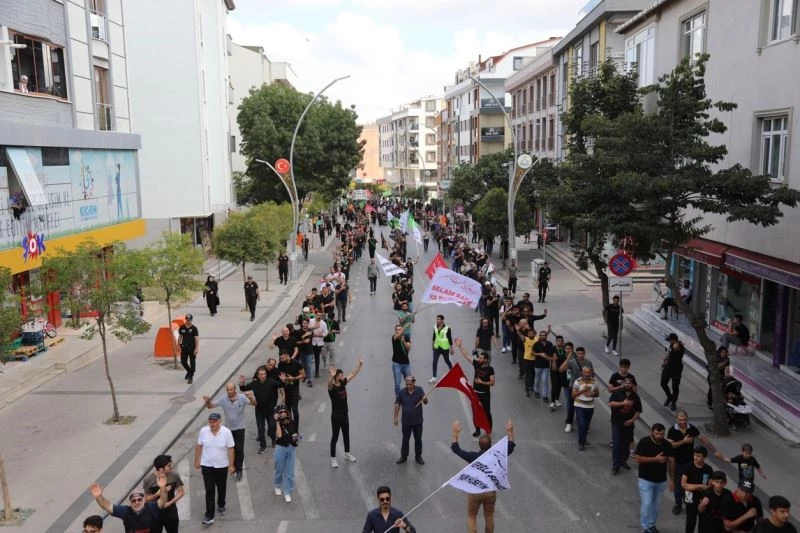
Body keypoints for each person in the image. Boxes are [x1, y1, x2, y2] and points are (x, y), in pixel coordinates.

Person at [450, 419, 516, 533]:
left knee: (471, 516)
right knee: (489, 516)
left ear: (479, 445)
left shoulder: (473, 457)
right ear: (491, 445)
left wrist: (455, 432)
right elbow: (510, 446)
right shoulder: (496, 457)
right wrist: (510, 432)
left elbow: (456, 449)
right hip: (490, 491)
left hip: (475, 491)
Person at [668, 410, 718, 515]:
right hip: (678, 463)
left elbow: (703, 439)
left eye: (684, 419)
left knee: (689, 485)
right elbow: (671, 446)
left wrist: (714, 450)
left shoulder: (692, 429)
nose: (682, 422)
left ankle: (689, 503)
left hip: (690, 463)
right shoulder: (672, 430)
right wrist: (684, 442)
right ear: (677, 419)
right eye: (680, 420)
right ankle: (678, 504)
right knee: (678, 486)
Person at [203, 383, 254, 480]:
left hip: (239, 428)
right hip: (228, 429)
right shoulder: (223, 399)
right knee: (231, 449)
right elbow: (211, 406)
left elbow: (254, 404)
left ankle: (239, 469)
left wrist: (251, 398)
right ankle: (232, 466)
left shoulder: (242, 398)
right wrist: (207, 401)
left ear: (235, 389)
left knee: (239, 449)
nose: (229, 391)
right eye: (227, 390)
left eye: (231, 389)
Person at [88, 474, 168, 533]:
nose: (137, 502)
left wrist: (162, 488)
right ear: (130, 503)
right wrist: (98, 497)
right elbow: (107, 506)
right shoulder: (125, 511)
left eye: (139, 499)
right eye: (133, 500)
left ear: (144, 500)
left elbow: (163, 500)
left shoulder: (151, 507)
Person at [194, 412, 234, 525]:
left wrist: (231, 465)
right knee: (209, 490)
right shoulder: (203, 431)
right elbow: (199, 445)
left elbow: (231, 449)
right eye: (210, 422)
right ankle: (209, 515)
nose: (212, 424)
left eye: (214, 422)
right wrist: (196, 461)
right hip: (207, 466)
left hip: (221, 466)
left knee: (221, 488)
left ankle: (221, 504)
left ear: (219, 421)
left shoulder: (226, 432)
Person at [635, 423, 675, 533]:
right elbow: (637, 459)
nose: (659, 436)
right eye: (657, 433)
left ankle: (652, 524)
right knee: (647, 503)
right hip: (645, 479)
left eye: (662, 434)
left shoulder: (666, 444)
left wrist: (672, 479)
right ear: (652, 432)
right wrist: (655, 459)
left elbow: (671, 461)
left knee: (656, 505)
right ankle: (645, 527)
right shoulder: (644, 442)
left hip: (660, 480)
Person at [454, 338, 495, 437]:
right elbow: (467, 356)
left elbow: (492, 383)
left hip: (485, 394)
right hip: (475, 392)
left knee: (486, 412)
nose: (479, 359)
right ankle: (477, 430)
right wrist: (460, 346)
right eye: (479, 358)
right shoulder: (476, 364)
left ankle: (488, 429)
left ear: (486, 359)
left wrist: (482, 382)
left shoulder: (490, 369)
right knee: (476, 412)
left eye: (481, 358)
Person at [328, 359, 364, 468]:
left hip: (345, 415)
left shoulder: (343, 383)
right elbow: (329, 384)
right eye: (341, 375)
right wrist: (331, 376)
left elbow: (353, 374)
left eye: (342, 375)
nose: (343, 376)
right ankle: (333, 459)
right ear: (336, 377)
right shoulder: (332, 388)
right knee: (335, 437)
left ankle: (347, 454)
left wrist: (360, 365)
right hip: (336, 416)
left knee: (346, 435)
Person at [239, 367, 280, 452]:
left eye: (264, 374)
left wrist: (283, 380)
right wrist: (242, 383)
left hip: (270, 410)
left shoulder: (271, 381)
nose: (263, 376)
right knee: (261, 429)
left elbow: (280, 384)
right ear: (257, 375)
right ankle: (262, 446)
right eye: (261, 374)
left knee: (272, 426)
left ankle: (274, 440)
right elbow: (243, 389)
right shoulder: (254, 384)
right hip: (259, 410)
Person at [142, 454, 184, 533]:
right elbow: (146, 499)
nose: (171, 467)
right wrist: (157, 494)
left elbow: (181, 492)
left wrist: (169, 503)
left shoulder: (174, 475)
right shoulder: (148, 480)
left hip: (171, 512)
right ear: (161, 469)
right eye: (168, 466)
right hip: (154, 513)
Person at [609, 377, 641, 474]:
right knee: (616, 443)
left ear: (632, 385)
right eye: (626, 383)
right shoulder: (617, 393)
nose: (627, 385)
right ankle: (616, 465)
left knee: (626, 444)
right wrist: (623, 403)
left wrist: (632, 420)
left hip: (628, 424)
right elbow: (610, 403)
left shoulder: (635, 396)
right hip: (617, 422)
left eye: (629, 383)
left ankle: (623, 461)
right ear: (623, 384)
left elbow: (639, 411)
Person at [394, 375, 428, 464]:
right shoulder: (401, 392)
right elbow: (397, 404)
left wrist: (425, 399)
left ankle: (418, 456)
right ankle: (404, 456)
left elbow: (425, 402)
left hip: (418, 421)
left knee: (418, 439)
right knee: (405, 439)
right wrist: (395, 417)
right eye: (406, 384)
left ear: (414, 382)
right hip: (406, 422)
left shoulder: (420, 390)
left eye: (409, 384)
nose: (408, 386)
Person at [560, 345, 592, 432]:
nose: (580, 355)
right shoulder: (572, 362)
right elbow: (561, 370)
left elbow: (592, 375)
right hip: (574, 387)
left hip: (585, 388)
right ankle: (569, 423)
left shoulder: (588, 363)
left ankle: (583, 424)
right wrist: (567, 359)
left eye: (582, 353)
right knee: (571, 406)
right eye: (578, 353)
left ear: (584, 354)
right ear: (576, 354)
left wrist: (591, 386)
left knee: (584, 406)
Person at [681, 446, 714, 533]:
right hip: (690, 498)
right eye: (694, 455)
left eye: (698, 456)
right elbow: (683, 484)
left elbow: (709, 487)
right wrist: (698, 486)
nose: (695, 457)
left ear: (704, 457)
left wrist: (692, 487)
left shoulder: (708, 469)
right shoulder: (688, 467)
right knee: (690, 522)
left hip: (702, 499)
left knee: (703, 523)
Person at [273, 404, 299, 503]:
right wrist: (277, 422)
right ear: (278, 414)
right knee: (279, 469)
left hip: (291, 448)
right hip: (280, 448)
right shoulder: (275, 423)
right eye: (281, 412)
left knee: (290, 472)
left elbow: (294, 433)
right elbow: (279, 435)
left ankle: (287, 491)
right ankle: (277, 485)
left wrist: (296, 438)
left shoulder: (291, 421)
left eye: (284, 411)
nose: (283, 413)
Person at [572, 366, 599, 451]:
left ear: (591, 373)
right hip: (579, 405)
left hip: (590, 406)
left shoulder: (594, 381)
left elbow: (597, 394)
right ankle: (581, 443)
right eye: (585, 372)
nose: (587, 374)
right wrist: (582, 390)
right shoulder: (577, 382)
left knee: (586, 426)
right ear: (582, 373)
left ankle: (583, 438)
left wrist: (592, 394)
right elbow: (573, 395)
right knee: (582, 424)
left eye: (588, 372)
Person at [277, 350, 306, 428]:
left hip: (294, 390)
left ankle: (296, 430)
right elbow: (281, 376)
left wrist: (293, 378)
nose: (281, 360)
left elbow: (303, 375)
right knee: (287, 411)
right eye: (280, 358)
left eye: (283, 358)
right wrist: (283, 379)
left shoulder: (296, 363)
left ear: (287, 356)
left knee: (295, 410)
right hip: (286, 390)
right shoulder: (280, 364)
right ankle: (290, 428)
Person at [661, 333, 685, 411]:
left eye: (670, 340)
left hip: (676, 369)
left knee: (675, 387)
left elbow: (676, 348)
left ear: (674, 340)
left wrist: (678, 343)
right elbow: (669, 352)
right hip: (668, 367)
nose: (669, 341)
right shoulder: (672, 345)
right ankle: (669, 397)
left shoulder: (680, 347)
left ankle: (673, 402)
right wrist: (665, 360)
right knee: (663, 383)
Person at [430, 314, 454, 383]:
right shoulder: (435, 326)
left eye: (438, 319)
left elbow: (450, 338)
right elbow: (434, 336)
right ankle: (434, 377)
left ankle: (452, 373)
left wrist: (451, 348)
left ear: (442, 320)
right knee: (434, 361)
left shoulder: (447, 328)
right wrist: (432, 345)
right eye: (436, 319)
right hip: (437, 347)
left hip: (444, 347)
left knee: (447, 361)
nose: (437, 320)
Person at [391, 324, 413, 398]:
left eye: (400, 329)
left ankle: (410, 394)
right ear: (396, 331)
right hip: (396, 364)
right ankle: (398, 397)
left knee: (409, 380)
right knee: (397, 382)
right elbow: (397, 336)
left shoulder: (406, 337)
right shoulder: (394, 338)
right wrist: (405, 327)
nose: (399, 330)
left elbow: (409, 349)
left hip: (406, 364)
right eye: (397, 329)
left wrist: (404, 342)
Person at [177, 314, 199, 384]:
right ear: (185, 319)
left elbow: (196, 339)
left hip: (192, 348)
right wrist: (178, 344)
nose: (188, 321)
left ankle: (191, 377)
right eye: (187, 320)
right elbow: (180, 336)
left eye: (189, 320)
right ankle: (189, 371)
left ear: (191, 320)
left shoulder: (194, 328)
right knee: (183, 361)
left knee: (192, 362)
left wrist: (196, 348)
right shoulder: (182, 327)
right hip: (184, 347)